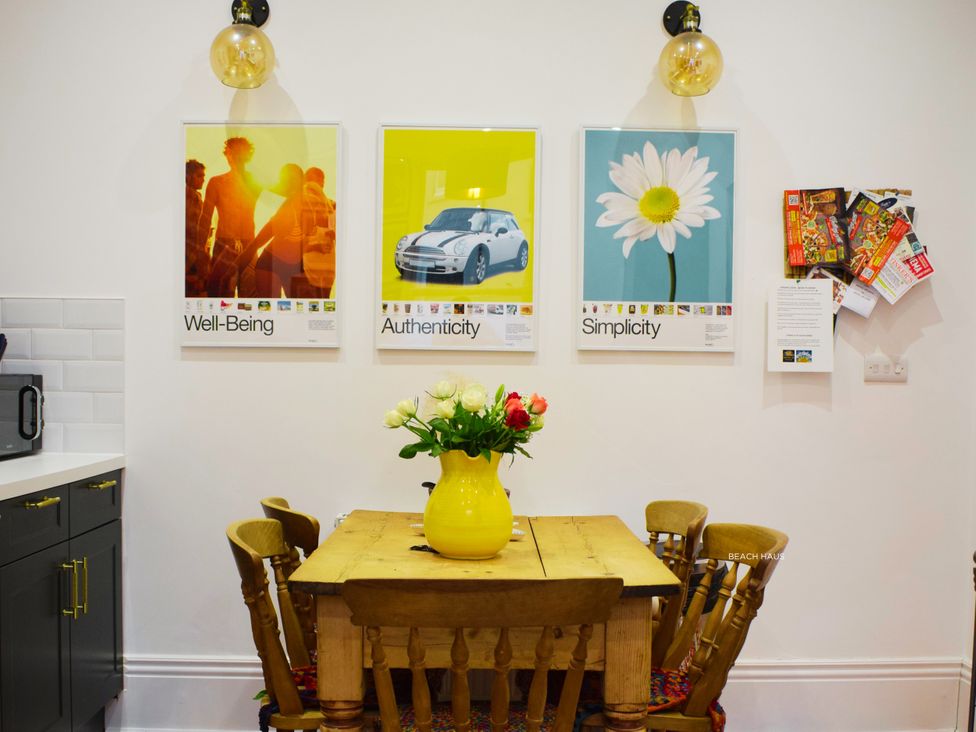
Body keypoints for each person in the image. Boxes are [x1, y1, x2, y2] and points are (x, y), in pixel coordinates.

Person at [198, 137, 261, 297]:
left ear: (247, 156)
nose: (234, 156)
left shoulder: (255, 182)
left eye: (240, 152)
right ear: (228, 154)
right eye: (232, 152)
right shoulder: (216, 182)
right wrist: (200, 253)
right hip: (225, 244)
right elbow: (205, 219)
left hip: (249, 245)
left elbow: (284, 191)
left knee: (250, 301)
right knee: (221, 300)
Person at [237, 164, 306, 298]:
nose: (285, 184)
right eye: (284, 180)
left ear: (300, 180)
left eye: (290, 180)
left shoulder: (309, 202)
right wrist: (242, 261)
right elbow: (263, 236)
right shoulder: (288, 206)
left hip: (295, 264)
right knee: (272, 311)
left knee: (299, 310)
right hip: (270, 265)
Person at [299, 167, 337, 297]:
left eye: (323, 179)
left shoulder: (329, 204)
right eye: (318, 178)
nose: (322, 182)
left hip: (326, 265)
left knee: (322, 303)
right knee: (314, 303)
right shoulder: (303, 199)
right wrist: (315, 246)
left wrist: (334, 233)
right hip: (310, 262)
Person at [184, 160, 208, 297]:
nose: (203, 180)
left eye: (204, 176)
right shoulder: (190, 194)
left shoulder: (196, 195)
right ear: (188, 176)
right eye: (199, 176)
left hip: (194, 251)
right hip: (191, 253)